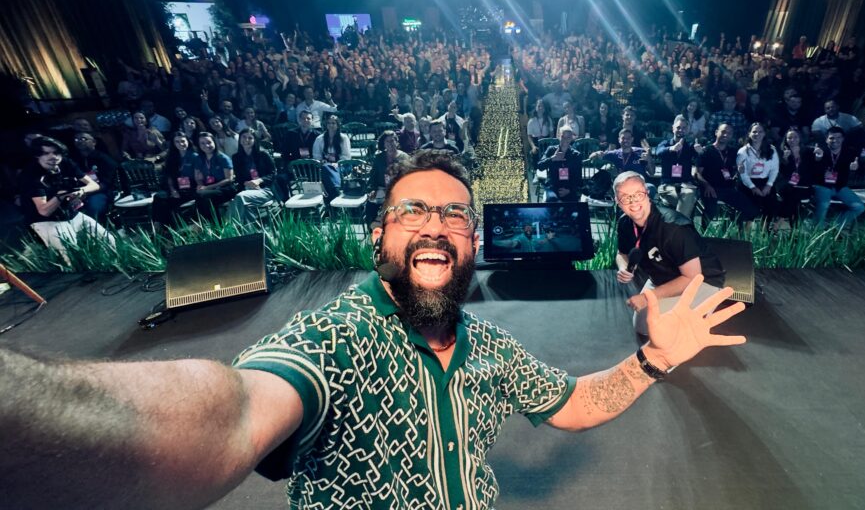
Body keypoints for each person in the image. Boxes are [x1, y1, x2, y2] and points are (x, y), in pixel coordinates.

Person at [0, 151, 746, 510]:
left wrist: (652, 361)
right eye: (412, 211)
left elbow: (573, 403)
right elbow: (229, 413)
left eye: (454, 213)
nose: (435, 224)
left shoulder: (489, 348)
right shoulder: (335, 340)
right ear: (378, 239)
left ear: (473, 243)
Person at [614, 170, 726, 336]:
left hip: (702, 280)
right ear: (617, 201)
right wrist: (624, 267)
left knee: (664, 331)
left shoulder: (674, 227)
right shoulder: (624, 223)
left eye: (638, 194)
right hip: (663, 277)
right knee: (643, 327)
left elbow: (692, 277)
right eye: (625, 197)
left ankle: (707, 305)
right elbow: (621, 253)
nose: (633, 201)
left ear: (647, 194)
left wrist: (648, 297)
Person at [17, 136, 114, 259]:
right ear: (37, 156)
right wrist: (60, 196)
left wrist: (80, 191)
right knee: (72, 256)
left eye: (56, 153)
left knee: (108, 240)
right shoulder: (31, 175)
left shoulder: (65, 163)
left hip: (70, 213)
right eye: (46, 153)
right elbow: (44, 211)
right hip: (45, 220)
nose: (53, 157)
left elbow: (94, 185)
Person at [694, 123, 758, 226]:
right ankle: (702, 233)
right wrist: (707, 185)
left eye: (729, 133)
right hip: (710, 188)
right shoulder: (706, 150)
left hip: (728, 188)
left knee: (751, 210)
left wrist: (739, 170)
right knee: (711, 211)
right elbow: (697, 173)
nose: (726, 135)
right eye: (723, 131)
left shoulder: (733, 152)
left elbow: (741, 167)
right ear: (716, 132)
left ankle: (731, 229)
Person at [809, 127, 865, 228]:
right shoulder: (820, 151)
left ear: (843, 139)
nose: (835, 140)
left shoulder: (849, 152)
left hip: (840, 186)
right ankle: (817, 231)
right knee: (824, 204)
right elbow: (811, 171)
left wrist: (855, 168)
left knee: (859, 207)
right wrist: (818, 158)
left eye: (838, 137)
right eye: (831, 138)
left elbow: (858, 170)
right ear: (826, 139)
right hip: (822, 185)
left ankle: (833, 228)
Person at [654, 115, 700, 219]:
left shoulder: (690, 146)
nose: (681, 130)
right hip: (667, 185)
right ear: (673, 128)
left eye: (684, 128)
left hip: (685, 184)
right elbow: (658, 152)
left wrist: (700, 152)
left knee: (688, 194)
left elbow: (700, 158)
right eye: (678, 127)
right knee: (686, 201)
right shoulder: (665, 143)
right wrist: (671, 148)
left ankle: (677, 225)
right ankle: (683, 225)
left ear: (687, 130)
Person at [228, 128, 277, 224]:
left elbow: (273, 174)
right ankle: (250, 230)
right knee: (244, 204)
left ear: (255, 140)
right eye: (244, 137)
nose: (246, 140)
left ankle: (230, 226)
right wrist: (247, 184)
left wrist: (259, 181)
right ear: (239, 139)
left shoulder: (263, 154)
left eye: (250, 138)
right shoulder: (236, 157)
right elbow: (239, 178)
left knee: (241, 197)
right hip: (247, 189)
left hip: (265, 189)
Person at [151, 131, 198, 228]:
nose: (181, 144)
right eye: (177, 142)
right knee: (158, 197)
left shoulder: (195, 156)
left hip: (191, 188)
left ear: (187, 141)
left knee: (168, 203)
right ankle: (157, 226)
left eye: (183, 141)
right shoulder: (172, 157)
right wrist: (173, 190)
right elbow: (169, 176)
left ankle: (167, 227)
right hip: (176, 187)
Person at [70, 131, 118, 223]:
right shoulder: (74, 161)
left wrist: (86, 193)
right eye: (76, 139)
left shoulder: (104, 159)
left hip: (102, 191)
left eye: (83, 139)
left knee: (94, 206)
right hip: (81, 192)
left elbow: (107, 183)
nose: (80, 141)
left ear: (94, 142)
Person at [736, 123, 779, 224]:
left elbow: (774, 169)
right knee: (751, 208)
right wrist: (753, 187)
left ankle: (765, 231)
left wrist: (769, 185)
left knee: (771, 207)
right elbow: (743, 174)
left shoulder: (771, 149)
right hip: (748, 183)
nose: (757, 134)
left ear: (764, 134)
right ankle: (745, 231)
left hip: (765, 182)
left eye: (760, 132)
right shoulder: (743, 151)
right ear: (749, 134)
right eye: (754, 132)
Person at [365, 129, 409, 224]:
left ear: (396, 142)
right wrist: (373, 189)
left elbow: (409, 177)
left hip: (400, 190)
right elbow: (373, 176)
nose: (390, 144)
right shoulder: (379, 158)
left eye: (392, 140)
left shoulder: (404, 157)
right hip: (382, 189)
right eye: (387, 141)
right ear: (383, 144)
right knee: (370, 206)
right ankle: (373, 229)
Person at [192, 132, 236, 222]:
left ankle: (215, 224)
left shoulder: (223, 158)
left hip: (225, 189)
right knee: (200, 196)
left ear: (214, 142)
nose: (206, 145)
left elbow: (229, 179)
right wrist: (200, 185)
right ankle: (205, 224)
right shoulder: (199, 159)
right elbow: (198, 177)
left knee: (204, 196)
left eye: (209, 142)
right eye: (202, 143)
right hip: (208, 189)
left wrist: (207, 188)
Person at [777, 127, 814, 229]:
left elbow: (811, 169)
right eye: (789, 138)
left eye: (795, 137)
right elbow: (781, 173)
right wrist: (785, 160)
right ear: (786, 139)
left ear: (800, 138)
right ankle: (794, 228)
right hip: (786, 185)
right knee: (793, 195)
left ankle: (780, 222)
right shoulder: (780, 152)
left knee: (794, 198)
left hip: (803, 185)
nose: (792, 140)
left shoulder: (807, 152)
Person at [537, 124, 583, 202]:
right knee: (552, 200)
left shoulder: (576, 155)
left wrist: (569, 190)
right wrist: (553, 158)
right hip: (553, 186)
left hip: (569, 187)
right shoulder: (551, 150)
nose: (565, 140)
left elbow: (578, 178)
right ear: (559, 136)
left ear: (571, 138)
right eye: (563, 137)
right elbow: (540, 166)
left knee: (573, 204)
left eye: (568, 137)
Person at [313, 114, 353, 203]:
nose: (331, 125)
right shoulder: (320, 138)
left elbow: (346, 156)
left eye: (333, 123)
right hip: (325, 165)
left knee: (328, 171)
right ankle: (336, 192)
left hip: (342, 165)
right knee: (326, 168)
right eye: (329, 123)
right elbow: (316, 155)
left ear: (338, 125)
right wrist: (322, 161)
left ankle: (330, 198)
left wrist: (338, 163)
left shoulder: (343, 138)